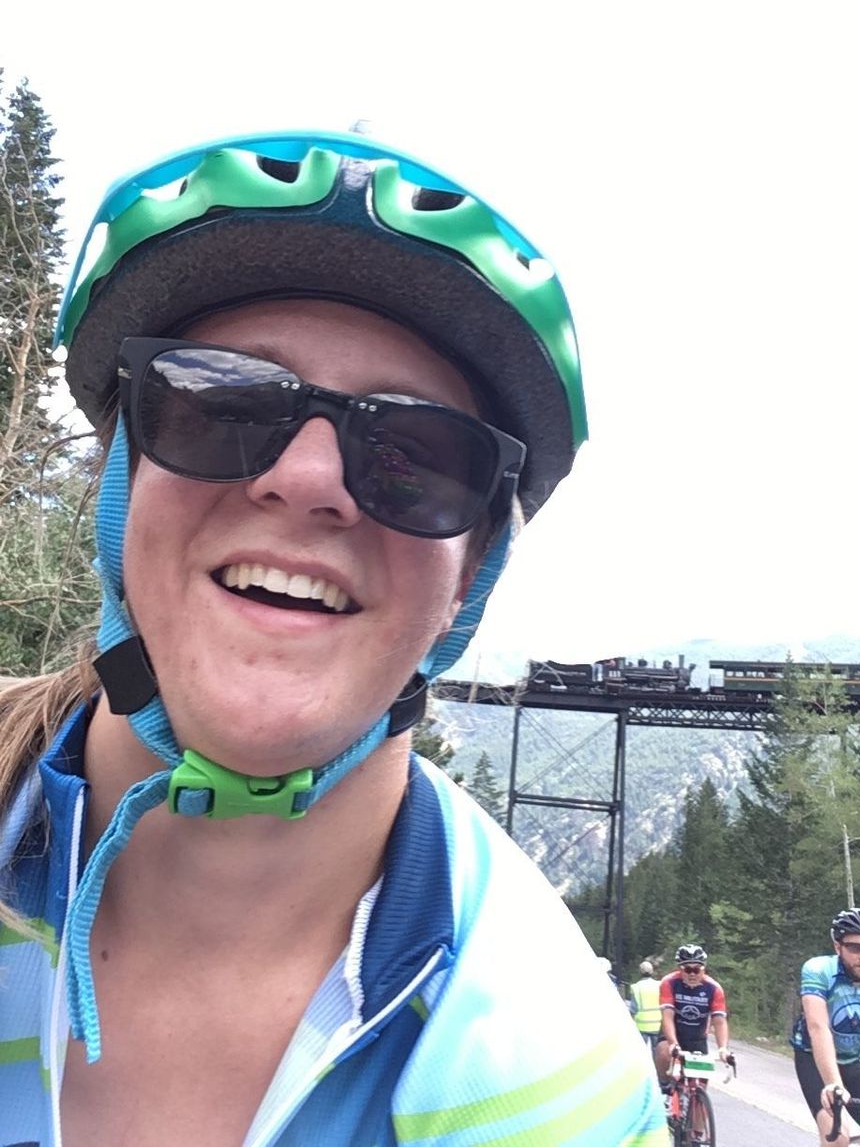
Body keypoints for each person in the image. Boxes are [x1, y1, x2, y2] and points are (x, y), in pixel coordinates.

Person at [0, 130, 667, 1146]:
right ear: (119, 484)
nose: (308, 481)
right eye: (220, 401)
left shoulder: (551, 1081)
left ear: (471, 576)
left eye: (415, 454)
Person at [791, 906, 860, 1147]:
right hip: (814, 1059)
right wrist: (833, 1084)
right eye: (854, 947)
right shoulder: (818, 970)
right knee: (838, 1138)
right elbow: (818, 1027)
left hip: (855, 1062)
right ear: (837, 947)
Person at [655, 944, 730, 1086]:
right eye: (687, 969)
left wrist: (723, 1048)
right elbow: (667, 1016)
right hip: (673, 1034)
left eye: (696, 969)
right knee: (664, 1052)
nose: (692, 974)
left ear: (704, 969)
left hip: (697, 1038)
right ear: (680, 969)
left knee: (700, 1086)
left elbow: (719, 1021)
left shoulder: (714, 988)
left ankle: (696, 1098)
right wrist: (673, 1043)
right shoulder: (669, 982)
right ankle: (664, 1087)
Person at [630, 960, 663, 1047]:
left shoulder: (636, 987)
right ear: (652, 971)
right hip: (657, 1025)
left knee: (641, 1051)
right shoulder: (659, 985)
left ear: (640, 972)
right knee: (656, 1050)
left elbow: (633, 1008)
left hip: (641, 1026)